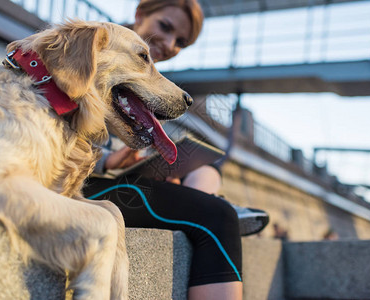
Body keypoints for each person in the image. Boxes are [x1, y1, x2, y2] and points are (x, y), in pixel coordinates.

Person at [84, 1, 265, 298]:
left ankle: (201, 196)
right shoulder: (94, 46)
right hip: (81, 181)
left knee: (206, 166)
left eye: (181, 42)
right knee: (216, 216)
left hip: (116, 178)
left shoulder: (145, 84)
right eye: (165, 27)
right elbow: (53, 129)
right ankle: (213, 203)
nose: (169, 44)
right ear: (140, 15)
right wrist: (107, 160)